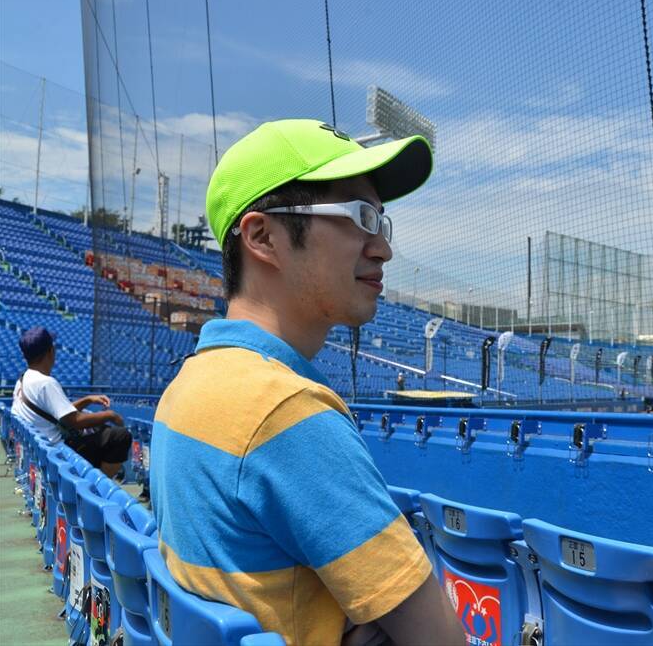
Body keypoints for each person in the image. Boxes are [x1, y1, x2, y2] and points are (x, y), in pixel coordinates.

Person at [150, 119, 463, 646]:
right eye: (360, 217)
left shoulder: (186, 385)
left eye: (381, 223)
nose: (382, 249)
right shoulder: (287, 411)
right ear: (262, 237)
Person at [11, 327, 130, 477]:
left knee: (102, 430)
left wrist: (87, 400)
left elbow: (60, 412)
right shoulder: (45, 383)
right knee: (121, 436)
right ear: (50, 351)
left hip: (39, 449)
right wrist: (109, 415)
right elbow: (75, 421)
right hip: (56, 452)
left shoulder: (23, 380)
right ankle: (98, 486)